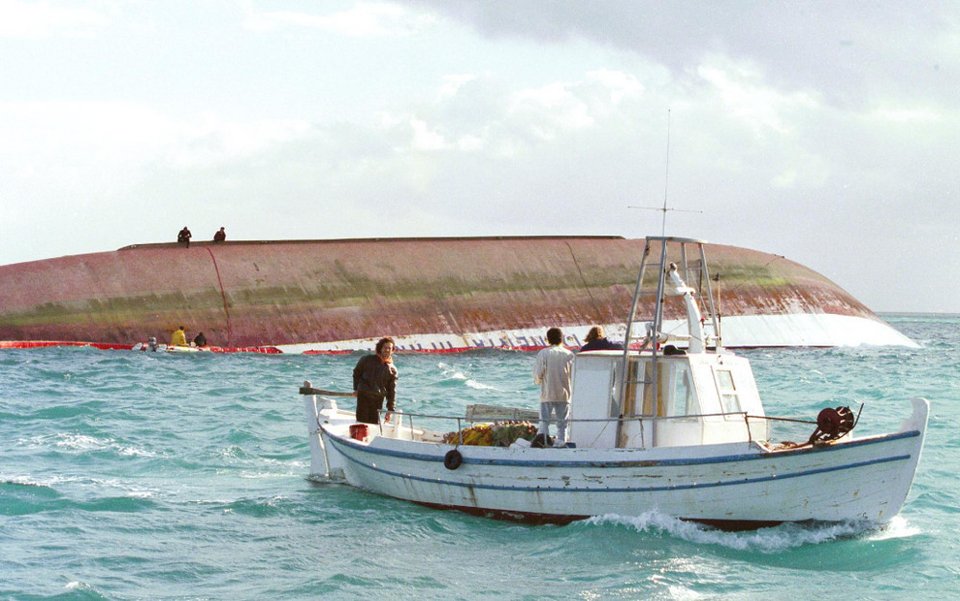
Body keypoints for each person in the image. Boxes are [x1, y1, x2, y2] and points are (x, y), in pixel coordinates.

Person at [533, 327, 574, 447]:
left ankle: (543, 443)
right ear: (562, 339)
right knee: (562, 424)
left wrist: (538, 381)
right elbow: (573, 374)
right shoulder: (569, 354)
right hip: (564, 394)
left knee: (544, 422)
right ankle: (561, 444)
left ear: (548, 339)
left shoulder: (544, 353)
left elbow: (538, 373)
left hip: (548, 393)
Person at [352, 337, 399, 425]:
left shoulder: (393, 370)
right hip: (364, 397)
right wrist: (356, 389)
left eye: (390, 348)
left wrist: (390, 409)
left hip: (378, 400)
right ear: (380, 348)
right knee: (361, 424)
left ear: (392, 350)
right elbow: (356, 373)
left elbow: (392, 391)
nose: (387, 350)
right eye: (385, 347)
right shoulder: (366, 359)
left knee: (373, 425)